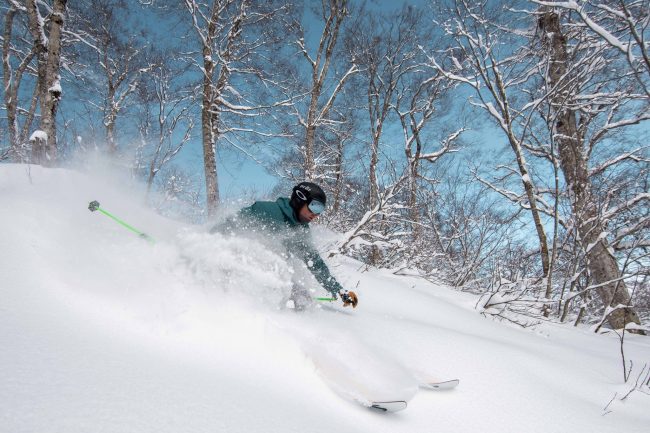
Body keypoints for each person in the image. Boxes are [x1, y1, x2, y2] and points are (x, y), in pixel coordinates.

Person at [213, 181, 358, 310]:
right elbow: (229, 224)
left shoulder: (301, 230)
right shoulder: (266, 211)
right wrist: (208, 244)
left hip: (272, 277)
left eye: (320, 210)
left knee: (302, 299)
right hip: (240, 268)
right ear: (300, 200)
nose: (316, 214)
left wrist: (339, 291)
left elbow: (315, 262)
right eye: (314, 206)